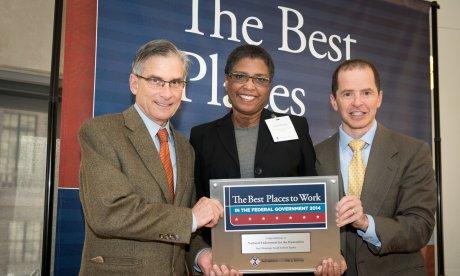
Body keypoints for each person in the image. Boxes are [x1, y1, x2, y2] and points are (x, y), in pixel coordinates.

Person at [78, 39, 236, 275]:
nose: (167, 93)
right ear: (134, 83)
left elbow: (186, 225)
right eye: (156, 81)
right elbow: (108, 212)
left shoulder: (185, 147)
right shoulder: (101, 132)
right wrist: (191, 218)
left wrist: (202, 255)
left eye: (175, 82)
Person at [190, 44, 344, 275]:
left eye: (260, 79)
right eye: (240, 76)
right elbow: (195, 204)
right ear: (226, 81)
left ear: (269, 85)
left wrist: (327, 250)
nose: (249, 86)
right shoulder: (202, 136)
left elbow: (315, 196)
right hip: (226, 266)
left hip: (288, 264)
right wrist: (203, 254)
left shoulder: (295, 127)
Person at [315, 59, 436, 275]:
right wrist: (323, 256)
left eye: (366, 93)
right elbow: (309, 227)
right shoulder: (313, 156)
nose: (357, 103)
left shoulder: (414, 152)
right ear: (334, 101)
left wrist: (366, 223)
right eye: (347, 94)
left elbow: (420, 226)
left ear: (379, 98)